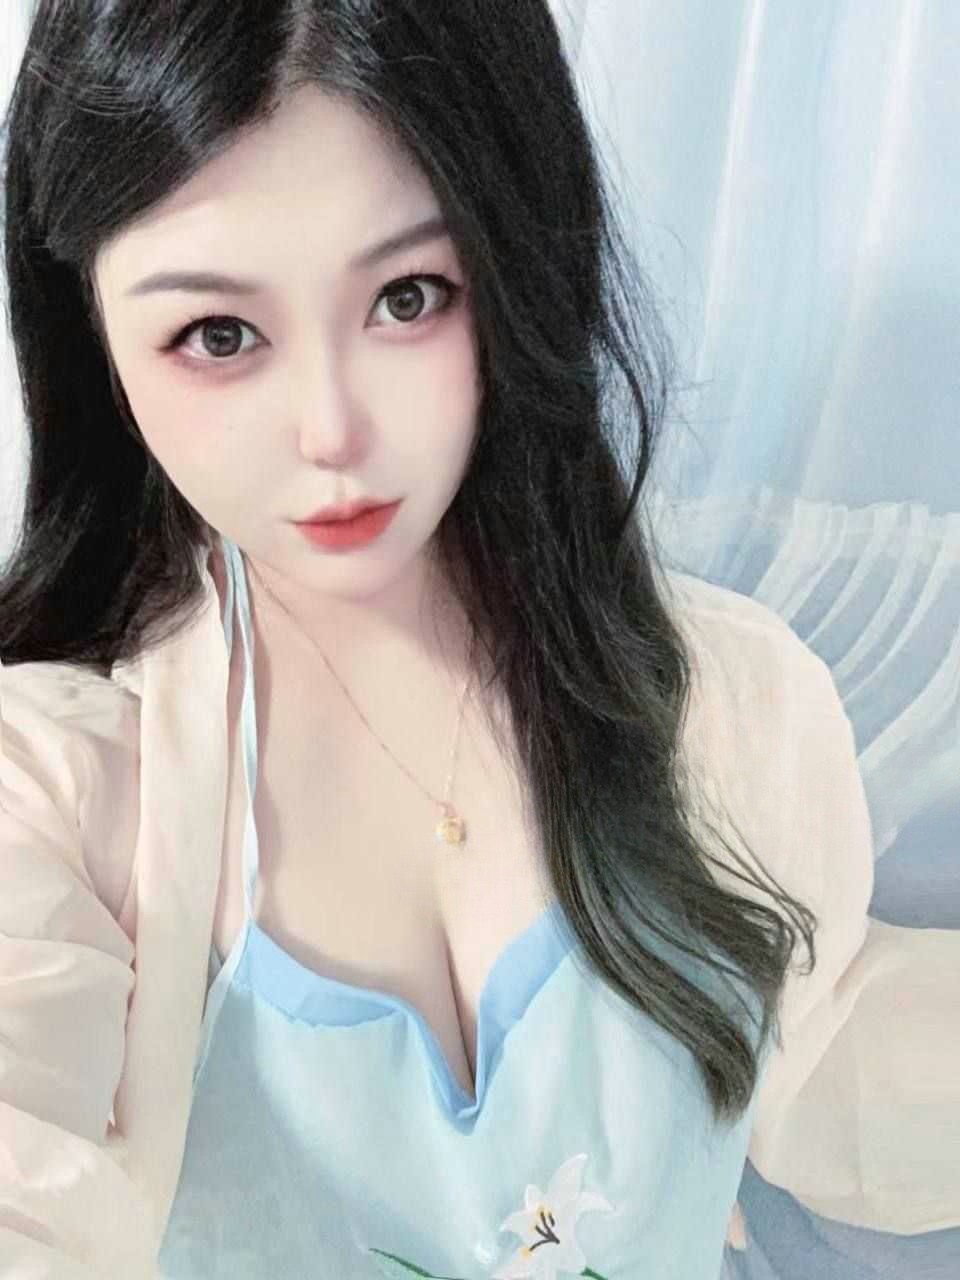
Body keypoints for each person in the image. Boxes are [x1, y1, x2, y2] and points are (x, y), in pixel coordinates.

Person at [1, 3, 956, 1278]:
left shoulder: (724, 701)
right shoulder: (64, 790)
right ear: (93, 332)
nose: (331, 428)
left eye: (409, 296)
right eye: (220, 335)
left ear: (514, 261)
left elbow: (816, 1050)